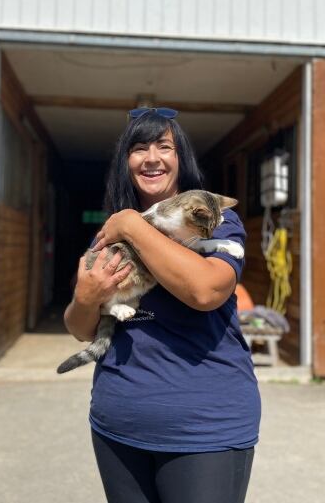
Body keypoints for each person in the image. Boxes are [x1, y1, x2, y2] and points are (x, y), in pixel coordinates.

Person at [63, 107, 261, 503]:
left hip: (204, 430)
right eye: (139, 148)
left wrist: (132, 225)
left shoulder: (215, 219)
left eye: (164, 146)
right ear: (126, 163)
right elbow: (80, 326)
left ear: (180, 158)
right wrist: (85, 298)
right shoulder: (111, 230)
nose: (151, 157)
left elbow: (205, 292)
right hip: (116, 423)